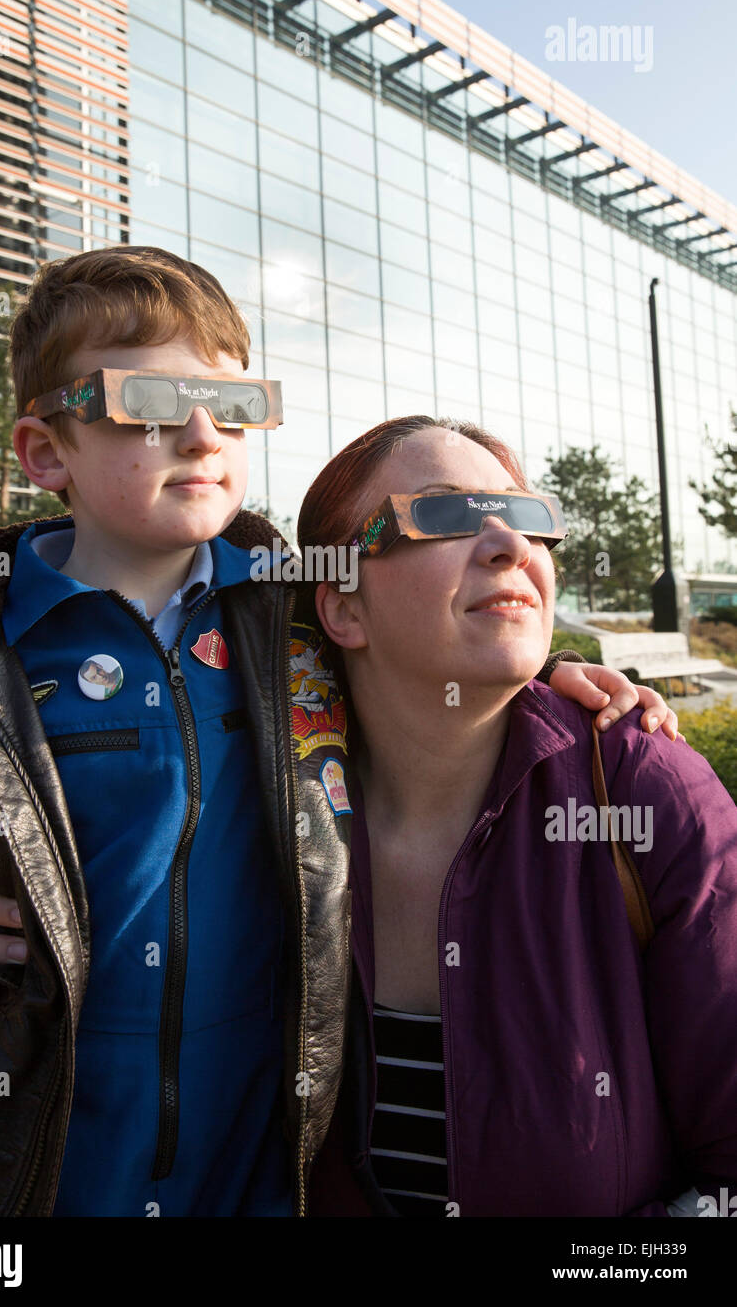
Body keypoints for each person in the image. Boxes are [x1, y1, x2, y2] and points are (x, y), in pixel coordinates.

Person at [0, 247, 676, 1220]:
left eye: (234, 403)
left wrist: (547, 676)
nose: (204, 433)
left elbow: (418, 647)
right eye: (151, 402)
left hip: (259, 1171)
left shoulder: (288, 621)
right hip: (24, 1172)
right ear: (46, 451)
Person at [291, 414, 737, 1217]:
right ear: (343, 609)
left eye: (527, 517)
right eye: (445, 514)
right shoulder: (256, 808)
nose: (510, 545)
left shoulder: (646, 790)